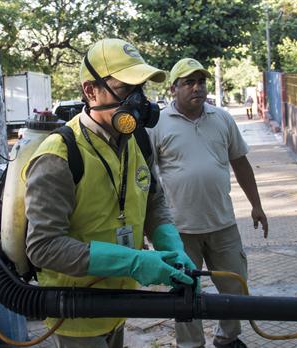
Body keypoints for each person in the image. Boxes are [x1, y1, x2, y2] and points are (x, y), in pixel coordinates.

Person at [23, 38, 196, 348]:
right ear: (91, 91)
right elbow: (44, 246)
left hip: (119, 304)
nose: (139, 101)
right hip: (76, 313)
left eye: (141, 88)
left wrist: (172, 244)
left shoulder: (136, 141)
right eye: (126, 89)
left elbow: (153, 199)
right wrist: (134, 263)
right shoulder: (59, 155)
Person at [148, 58, 269, 348]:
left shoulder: (222, 118)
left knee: (236, 287)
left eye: (201, 81)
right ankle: (191, 345)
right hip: (179, 231)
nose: (197, 87)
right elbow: (146, 179)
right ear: (174, 88)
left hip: (222, 224)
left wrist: (257, 204)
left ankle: (227, 339)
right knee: (185, 294)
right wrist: (146, 226)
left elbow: (240, 163)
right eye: (189, 82)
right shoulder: (157, 124)